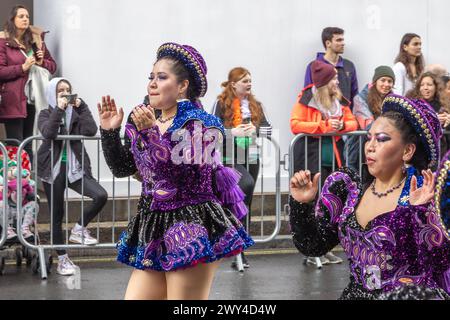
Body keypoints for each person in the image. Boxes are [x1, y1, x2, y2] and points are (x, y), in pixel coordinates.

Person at [98, 43, 254, 300]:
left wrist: (151, 134)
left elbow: (176, 177)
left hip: (191, 224)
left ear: (182, 86)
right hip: (153, 223)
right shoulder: (145, 118)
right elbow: (123, 167)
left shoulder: (201, 122)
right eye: (151, 77)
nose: (152, 84)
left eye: (162, 77)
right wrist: (109, 132)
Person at [289, 93, 450, 299]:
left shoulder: (422, 195)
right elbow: (312, 245)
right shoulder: (348, 191)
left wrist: (421, 215)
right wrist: (302, 204)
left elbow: (440, 263)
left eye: (381, 139)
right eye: (368, 138)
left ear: (408, 151)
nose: (370, 146)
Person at [37, 78, 108, 276]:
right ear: (53, 93)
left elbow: (91, 130)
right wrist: (59, 109)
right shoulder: (45, 114)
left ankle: (79, 229)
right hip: (53, 170)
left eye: (68, 90)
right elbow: (49, 133)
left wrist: (82, 106)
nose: (65, 93)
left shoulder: (76, 113)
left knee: (100, 195)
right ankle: (62, 259)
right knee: (56, 216)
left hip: (76, 169)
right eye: (60, 91)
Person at [291, 60, 358, 265]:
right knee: (314, 199)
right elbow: (295, 124)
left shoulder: (340, 102)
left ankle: (324, 247)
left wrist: (340, 126)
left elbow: (353, 122)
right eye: (334, 78)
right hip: (311, 154)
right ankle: (313, 252)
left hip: (333, 155)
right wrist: (324, 126)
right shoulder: (306, 99)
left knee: (329, 202)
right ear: (325, 82)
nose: (338, 81)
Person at [212, 67, 272, 269]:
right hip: (229, 156)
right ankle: (231, 240)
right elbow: (212, 130)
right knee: (245, 185)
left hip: (251, 155)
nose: (249, 83)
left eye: (250, 80)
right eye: (244, 80)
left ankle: (240, 248)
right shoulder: (220, 104)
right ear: (233, 84)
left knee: (246, 201)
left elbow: (269, 129)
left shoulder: (256, 105)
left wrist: (255, 129)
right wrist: (233, 132)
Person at [0, 5, 57, 164]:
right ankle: (13, 184)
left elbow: (52, 66)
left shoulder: (35, 41)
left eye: (27, 16)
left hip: (33, 99)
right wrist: (22, 68)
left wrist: (41, 62)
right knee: (15, 144)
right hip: (13, 100)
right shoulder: (3, 42)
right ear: (13, 20)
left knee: (29, 144)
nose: (25, 19)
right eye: (21, 16)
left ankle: (27, 184)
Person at [346, 66, 396, 172]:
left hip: (383, 150)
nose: (386, 84)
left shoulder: (395, 100)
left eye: (390, 81)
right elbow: (369, 125)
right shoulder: (360, 99)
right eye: (383, 80)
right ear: (375, 82)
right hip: (359, 150)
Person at [304, 27, 358, 108]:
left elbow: (354, 94)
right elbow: (308, 96)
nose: (343, 43)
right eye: (338, 40)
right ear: (328, 43)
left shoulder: (349, 65)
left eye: (343, 40)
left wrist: (351, 118)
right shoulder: (313, 66)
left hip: (346, 117)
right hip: (322, 117)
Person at [406, 72, 450, 157]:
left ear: (436, 87)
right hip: (419, 148)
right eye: (422, 85)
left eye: (429, 84)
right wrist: (432, 120)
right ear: (418, 87)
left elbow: (445, 131)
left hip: (440, 150)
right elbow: (408, 126)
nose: (425, 88)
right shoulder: (413, 104)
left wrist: (447, 122)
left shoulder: (443, 104)